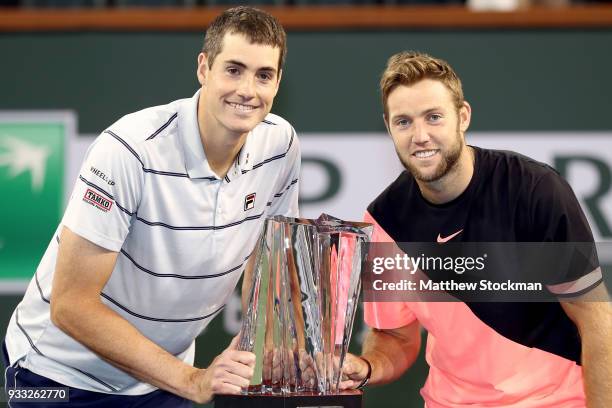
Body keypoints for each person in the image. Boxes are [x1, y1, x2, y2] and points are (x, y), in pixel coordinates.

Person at [3, 6, 300, 407]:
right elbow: (71, 306)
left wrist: (262, 347)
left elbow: (268, 266)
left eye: (263, 75)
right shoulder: (129, 149)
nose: (247, 90)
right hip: (53, 373)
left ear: (278, 81)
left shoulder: (280, 145)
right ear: (204, 68)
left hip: (161, 377)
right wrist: (193, 381)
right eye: (233, 69)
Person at [340, 51, 611, 407]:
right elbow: (394, 335)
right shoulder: (384, 220)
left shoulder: (535, 190)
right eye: (403, 122)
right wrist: (367, 366)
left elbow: (595, 318)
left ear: (462, 116)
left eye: (433, 117)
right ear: (389, 127)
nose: (419, 135)